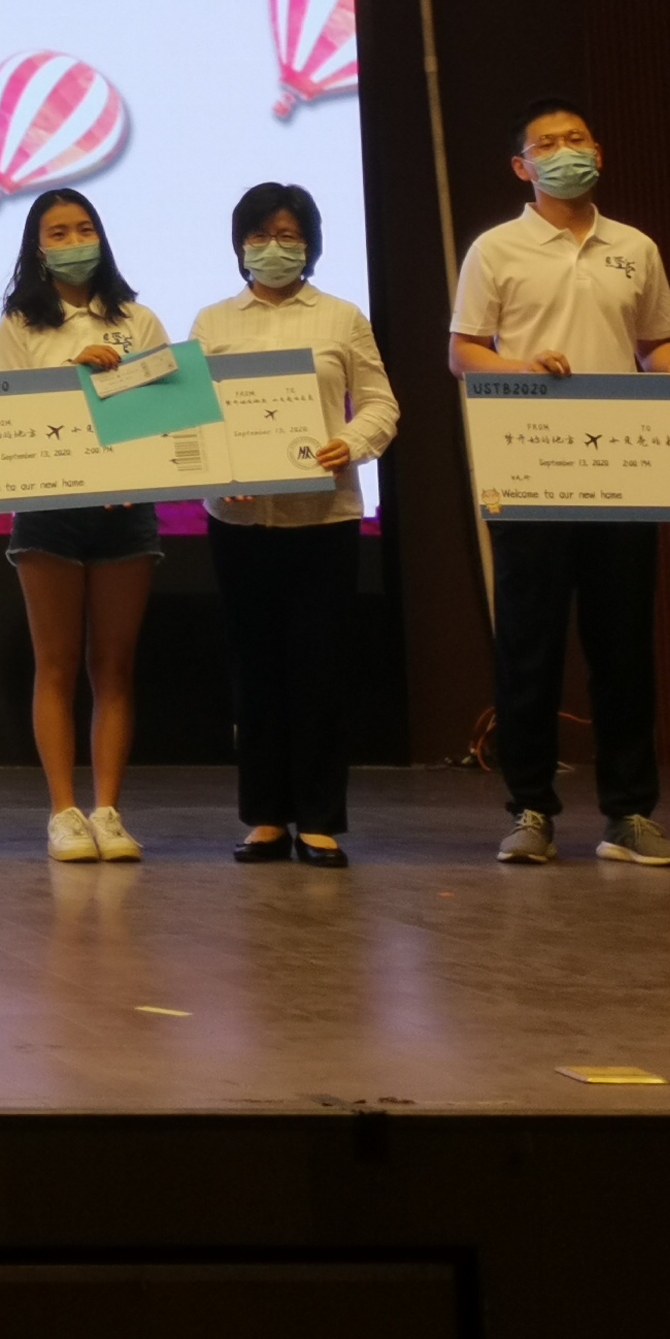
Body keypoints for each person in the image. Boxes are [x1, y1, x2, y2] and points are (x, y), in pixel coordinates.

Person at [449, 97, 670, 868]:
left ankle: (629, 814)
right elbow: (464, 352)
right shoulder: (496, 249)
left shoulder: (635, 246)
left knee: (623, 646)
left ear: (598, 151)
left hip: (625, 470)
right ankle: (530, 808)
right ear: (521, 166)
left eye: (577, 138)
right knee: (529, 646)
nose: (565, 151)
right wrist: (522, 367)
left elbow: (653, 344)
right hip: (531, 466)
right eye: (547, 143)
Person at [192, 182, 399, 866]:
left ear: (309, 243)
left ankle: (318, 818)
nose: (273, 247)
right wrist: (220, 469)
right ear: (240, 244)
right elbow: (192, 417)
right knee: (253, 671)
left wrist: (352, 442)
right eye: (259, 235)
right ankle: (264, 818)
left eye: (288, 235)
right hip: (238, 519)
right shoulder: (213, 322)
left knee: (319, 668)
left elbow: (381, 404)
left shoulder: (342, 317)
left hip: (323, 516)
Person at [0, 189, 172, 864]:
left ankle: (108, 811)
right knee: (57, 665)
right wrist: (72, 373)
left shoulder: (138, 320)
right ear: (38, 248)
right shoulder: (19, 325)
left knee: (114, 667)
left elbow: (164, 414)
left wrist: (133, 469)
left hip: (127, 511)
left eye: (83, 228)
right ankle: (63, 812)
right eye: (57, 232)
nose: (73, 241)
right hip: (48, 511)